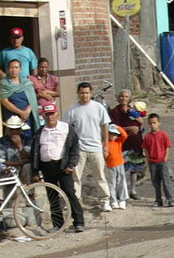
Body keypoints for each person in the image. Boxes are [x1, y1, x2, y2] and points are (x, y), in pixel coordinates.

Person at [33, 102, 83, 233]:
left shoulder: (65, 128)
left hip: (63, 166)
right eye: (47, 114)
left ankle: (78, 221)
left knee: (70, 193)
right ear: (43, 116)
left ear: (57, 114)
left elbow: (74, 147)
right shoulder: (40, 132)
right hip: (47, 166)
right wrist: (35, 171)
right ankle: (58, 224)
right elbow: (35, 152)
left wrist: (71, 164)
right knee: (52, 196)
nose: (50, 117)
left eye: (52, 114)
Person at [63, 82, 111, 213]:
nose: (84, 95)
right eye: (82, 93)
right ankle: (75, 201)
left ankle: (105, 201)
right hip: (79, 149)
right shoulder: (72, 110)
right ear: (78, 94)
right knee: (76, 177)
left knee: (100, 175)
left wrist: (105, 145)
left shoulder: (98, 107)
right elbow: (66, 128)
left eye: (87, 93)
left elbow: (105, 126)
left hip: (96, 147)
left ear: (91, 93)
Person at [0, 58, 38, 143]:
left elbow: (33, 99)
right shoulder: (4, 84)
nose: (14, 70)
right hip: (13, 118)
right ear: (8, 69)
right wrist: (21, 113)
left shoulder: (27, 83)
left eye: (16, 67)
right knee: (13, 141)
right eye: (11, 68)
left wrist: (27, 112)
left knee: (28, 141)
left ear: (20, 69)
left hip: (27, 118)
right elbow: (5, 101)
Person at [141, 112, 174, 207]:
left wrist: (165, 157)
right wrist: (148, 159)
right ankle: (158, 200)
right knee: (156, 183)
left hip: (162, 161)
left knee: (166, 181)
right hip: (152, 162)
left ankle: (170, 199)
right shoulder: (147, 137)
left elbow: (167, 146)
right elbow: (145, 149)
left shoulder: (163, 135)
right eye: (151, 123)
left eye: (154, 123)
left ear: (159, 123)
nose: (153, 125)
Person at [0, 115, 32, 192]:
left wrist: (19, 146)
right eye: (12, 130)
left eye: (16, 129)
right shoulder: (2, 141)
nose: (14, 132)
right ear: (8, 130)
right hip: (8, 170)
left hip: (23, 171)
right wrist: (18, 163)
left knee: (28, 166)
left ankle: (29, 193)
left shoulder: (27, 139)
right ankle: (0, 201)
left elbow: (28, 158)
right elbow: (1, 160)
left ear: (21, 129)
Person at [104, 122, 129, 209]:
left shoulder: (119, 142)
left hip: (120, 164)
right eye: (111, 134)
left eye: (115, 134)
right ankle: (113, 201)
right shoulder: (105, 144)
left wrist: (118, 127)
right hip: (110, 166)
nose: (113, 136)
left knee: (121, 181)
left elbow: (125, 135)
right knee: (112, 184)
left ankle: (122, 200)